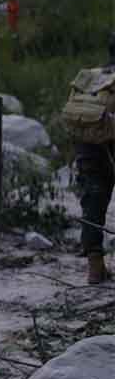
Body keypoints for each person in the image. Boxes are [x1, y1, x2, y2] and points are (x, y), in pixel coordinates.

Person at [73, 34, 115, 284]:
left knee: (93, 207)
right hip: (110, 149)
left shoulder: (92, 77)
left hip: (88, 149)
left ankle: (95, 268)